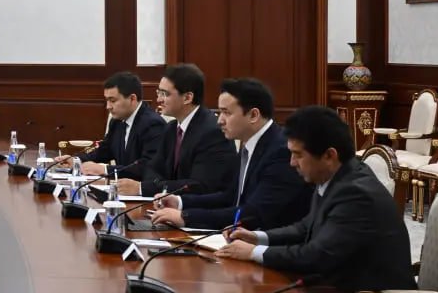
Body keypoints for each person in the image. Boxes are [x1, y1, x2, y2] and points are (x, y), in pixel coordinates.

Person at [216, 106, 432, 293]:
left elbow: (315, 256)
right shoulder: (336, 177)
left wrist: (253, 252)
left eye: (298, 155)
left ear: (329, 155)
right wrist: (258, 237)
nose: (291, 163)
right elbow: (306, 227)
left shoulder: (356, 193)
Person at [150, 78, 310, 230]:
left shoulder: (281, 151)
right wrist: (180, 202)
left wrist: (186, 217)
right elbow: (230, 197)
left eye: (226, 113)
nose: (220, 120)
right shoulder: (249, 144)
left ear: (253, 115)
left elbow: (253, 212)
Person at [116, 63, 235, 198]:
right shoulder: (171, 128)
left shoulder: (212, 132)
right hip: (166, 204)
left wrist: (143, 188)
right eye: (159, 93)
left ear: (187, 98)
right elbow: (153, 169)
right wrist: (154, 186)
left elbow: (199, 185)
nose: (159, 99)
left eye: (165, 94)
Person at [68, 71, 165, 179]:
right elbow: (105, 150)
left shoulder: (152, 124)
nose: (108, 106)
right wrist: (76, 160)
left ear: (132, 99)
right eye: (107, 100)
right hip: (121, 186)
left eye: (113, 101)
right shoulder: (117, 121)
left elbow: (147, 167)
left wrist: (105, 170)